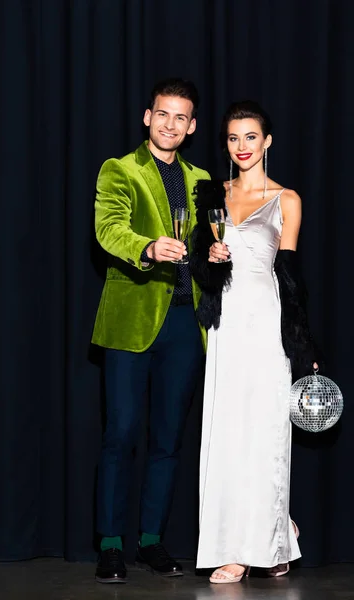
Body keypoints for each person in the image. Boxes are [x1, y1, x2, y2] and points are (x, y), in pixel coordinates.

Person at [189, 100, 320, 584]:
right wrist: (212, 258)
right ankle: (258, 537)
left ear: (266, 142)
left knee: (264, 435)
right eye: (232, 138)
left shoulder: (286, 199)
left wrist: (303, 345)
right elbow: (200, 271)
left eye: (250, 137)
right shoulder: (212, 195)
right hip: (225, 326)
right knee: (227, 434)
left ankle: (261, 542)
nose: (241, 147)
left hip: (266, 324)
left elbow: (290, 277)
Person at [92, 78, 211, 584]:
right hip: (131, 321)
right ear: (147, 117)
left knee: (168, 439)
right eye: (163, 114)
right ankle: (111, 544)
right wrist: (146, 248)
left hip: (186, 322)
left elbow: (209, 242)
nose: (170, 124)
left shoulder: (203, 177)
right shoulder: (120, 169)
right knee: (120, 434)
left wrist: (215, 256)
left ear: (192, 127)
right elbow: (108, 227)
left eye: (180, 117)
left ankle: (151, 541)